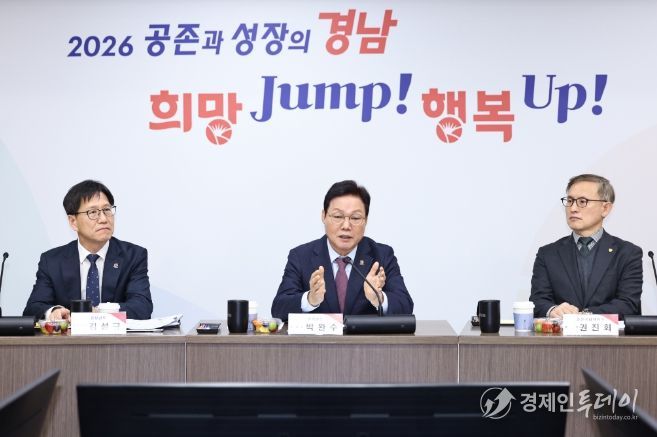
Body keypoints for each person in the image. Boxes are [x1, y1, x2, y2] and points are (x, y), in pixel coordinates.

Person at [271, 180, 413, 321]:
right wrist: (310, 299)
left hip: (364, 337)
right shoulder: (301, 256)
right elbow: (278, 308)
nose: (346, 226)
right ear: (323, 216)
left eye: (355, 218)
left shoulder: (382, 255)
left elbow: (406, 305)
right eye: (338, 216)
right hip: (321, 336)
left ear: (366, 220)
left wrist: (379, 298)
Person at [23, 180, 153, 321]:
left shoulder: (133, 256)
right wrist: (53, 312)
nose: (103, 219)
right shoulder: (52, 261)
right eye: (93, 212)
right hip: (71, 335)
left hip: (114, 335)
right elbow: (33, 308)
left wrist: (99, 312)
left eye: (107, 210)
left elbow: (142, 307)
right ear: (73, 222)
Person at [530, 174, 642, 318]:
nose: (573, 208)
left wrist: (584, 316)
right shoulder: (548, 254)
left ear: (605, 208)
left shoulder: (627, 253)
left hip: (610, 333)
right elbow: (538, 301)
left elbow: (628, 304)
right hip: (561, 332)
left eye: (582, 201)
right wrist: (553, 310)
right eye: (570, 201)